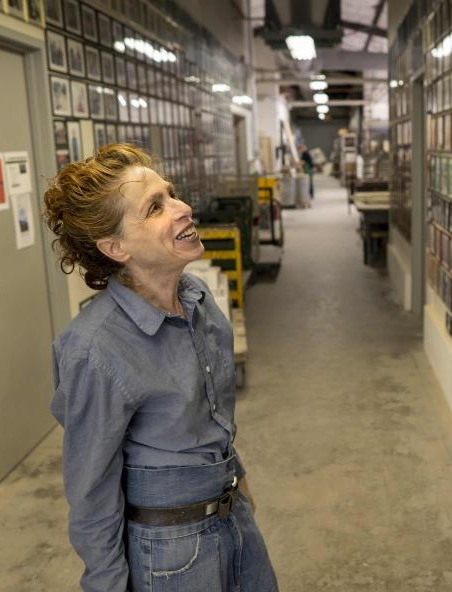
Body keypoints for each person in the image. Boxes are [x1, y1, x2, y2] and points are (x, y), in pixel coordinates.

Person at [43, 145, 278, 592]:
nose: (183, 208)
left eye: (171, 194)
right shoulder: (94, 349)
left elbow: (211, 417)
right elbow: (91, 491)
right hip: (171, 551)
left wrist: (238, 484)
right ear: (115, 247)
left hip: (233, 517)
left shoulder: (199, 302)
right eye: (155, 207)